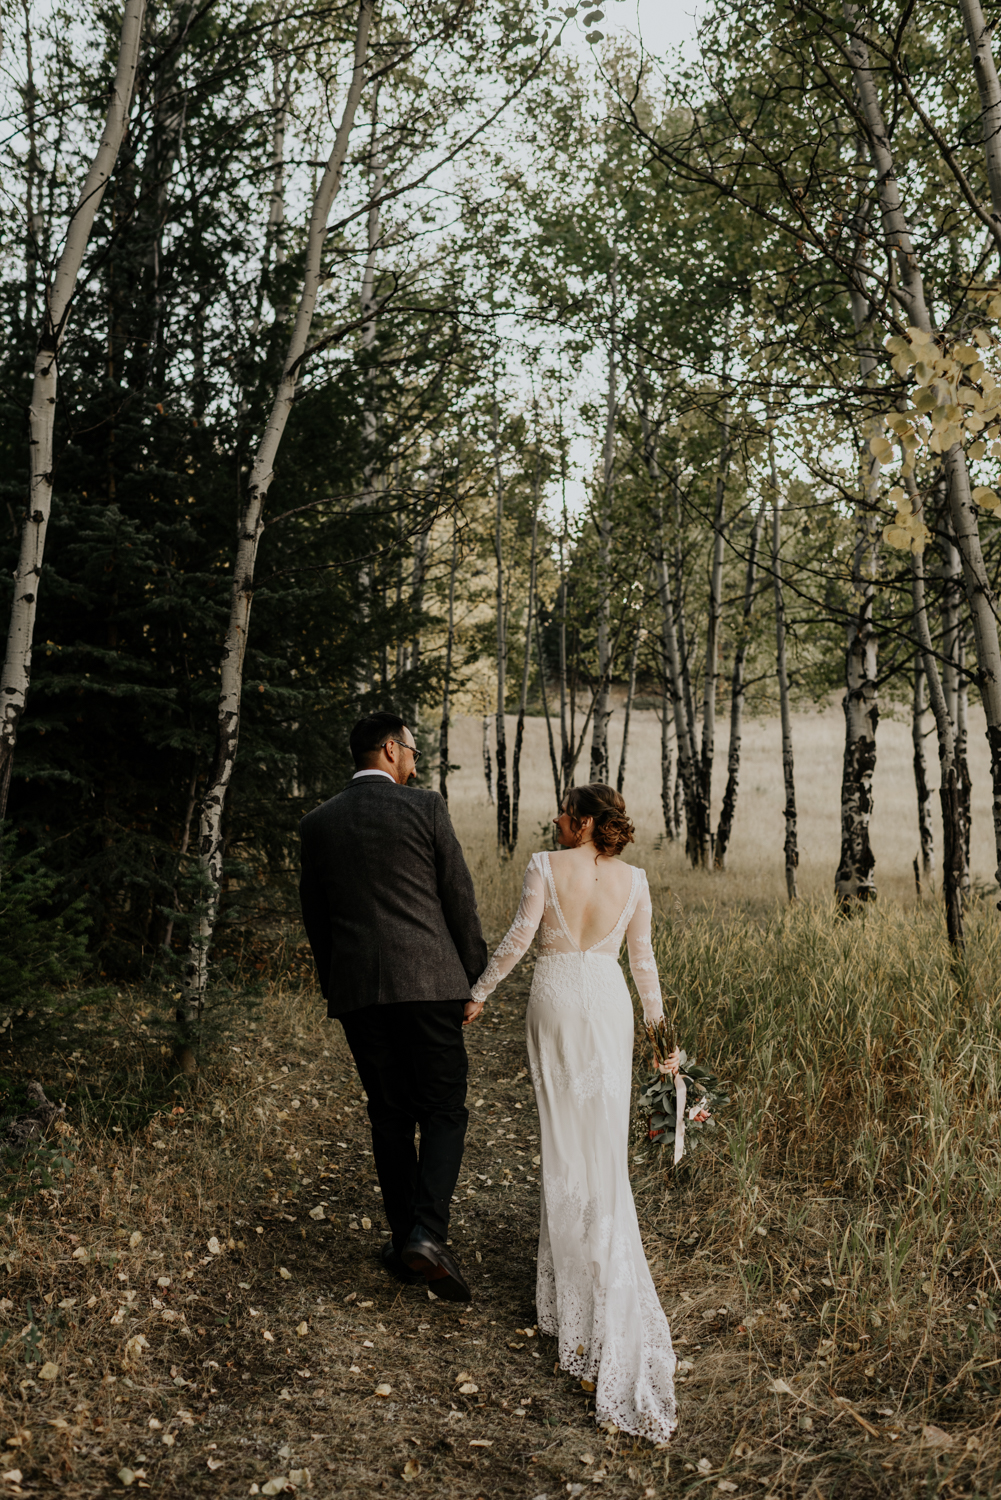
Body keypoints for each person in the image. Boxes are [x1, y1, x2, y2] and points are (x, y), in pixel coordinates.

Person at [468, 783, 679, 1444]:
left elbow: (516, 939)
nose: (555, 820)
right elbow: (641, 962)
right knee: (601, 1152)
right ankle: (592, 1278)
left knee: (564, 1148)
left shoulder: (542, 866)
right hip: (610, 1005)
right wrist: (661, 1038)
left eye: (564, 811)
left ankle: (576, 1300)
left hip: (556, 1002)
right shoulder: (635, 880)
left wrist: (476, 994)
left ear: (583, 821)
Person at [299, 711, 487, 1302]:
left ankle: (406, 1238)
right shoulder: (425, 806)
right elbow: (458, 895)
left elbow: (317, 918)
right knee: (444, 1107)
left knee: (388, 1112)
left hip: (359, 992)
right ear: (388, 749)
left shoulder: (318, 822)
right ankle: (428, 1233)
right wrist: (474, 979)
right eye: (410, 748)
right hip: (430, 982)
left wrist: (339, 985)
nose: (415, 759)